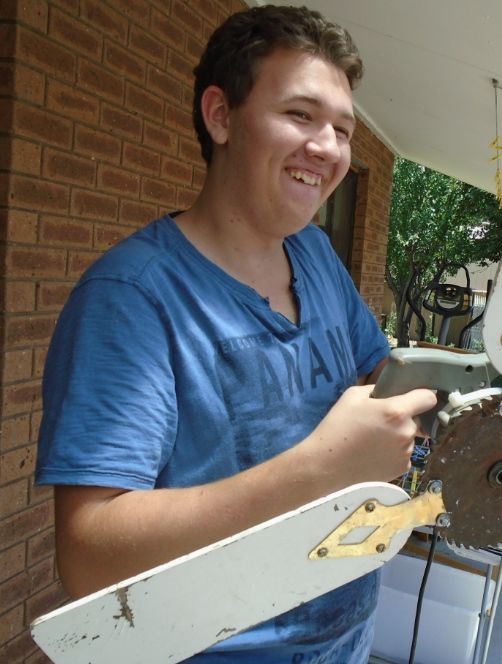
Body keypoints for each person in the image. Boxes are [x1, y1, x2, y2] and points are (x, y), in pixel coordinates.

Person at [35, 5, 437, 662]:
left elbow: (375, 375)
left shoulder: (314, 255)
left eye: (342, 128)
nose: (330, 148)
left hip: (346, 639)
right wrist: (319, 468)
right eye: (301, 115)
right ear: (220, 116)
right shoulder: (132, 298)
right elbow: (88, 558)